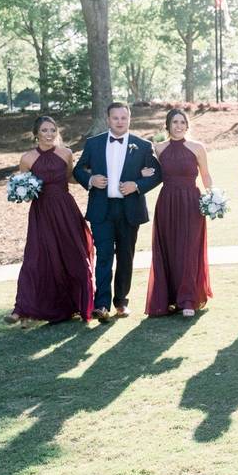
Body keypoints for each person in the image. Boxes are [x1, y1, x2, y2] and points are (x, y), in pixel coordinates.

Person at [73, 102, 161, 322]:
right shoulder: (94, 143)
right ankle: (101, 304)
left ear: (129, 119)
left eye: (124, 118)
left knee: (126, 256)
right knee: (103, 257)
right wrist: (91, 179)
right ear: (108, 119)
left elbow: (157, 174)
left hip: (129, 209)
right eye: (115, 118)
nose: (120, 122)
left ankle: (121, 301)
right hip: (101, 209)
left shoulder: (142, 145)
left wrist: (137, 185)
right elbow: (78, 169)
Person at [6, 116, 94, 326]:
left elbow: (70, 177)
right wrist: (21, 192)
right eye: (44, 131)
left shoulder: (66, 153)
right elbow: (25, 188)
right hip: (42, 212)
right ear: (36, 134)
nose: (49, 134)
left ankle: (79, 304)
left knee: (74, 254)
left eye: (52, 130)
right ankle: (23, 309)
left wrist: (91, 177)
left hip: (65, 209)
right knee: (37, 259)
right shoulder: (27, 158)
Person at [145, 109, 213, 317]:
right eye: (174, 122)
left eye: (182, 122)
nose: (179, 126)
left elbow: (206, 175)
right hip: (167, 202)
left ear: (187, 125)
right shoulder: (158, 148)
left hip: (192, 203)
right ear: (168, 125)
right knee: (169, 248)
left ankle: (188, 300)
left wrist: (213, 198)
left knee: (188, 249)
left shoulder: (197, 148)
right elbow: (151, 172)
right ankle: (169, 299)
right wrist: (143, 173)